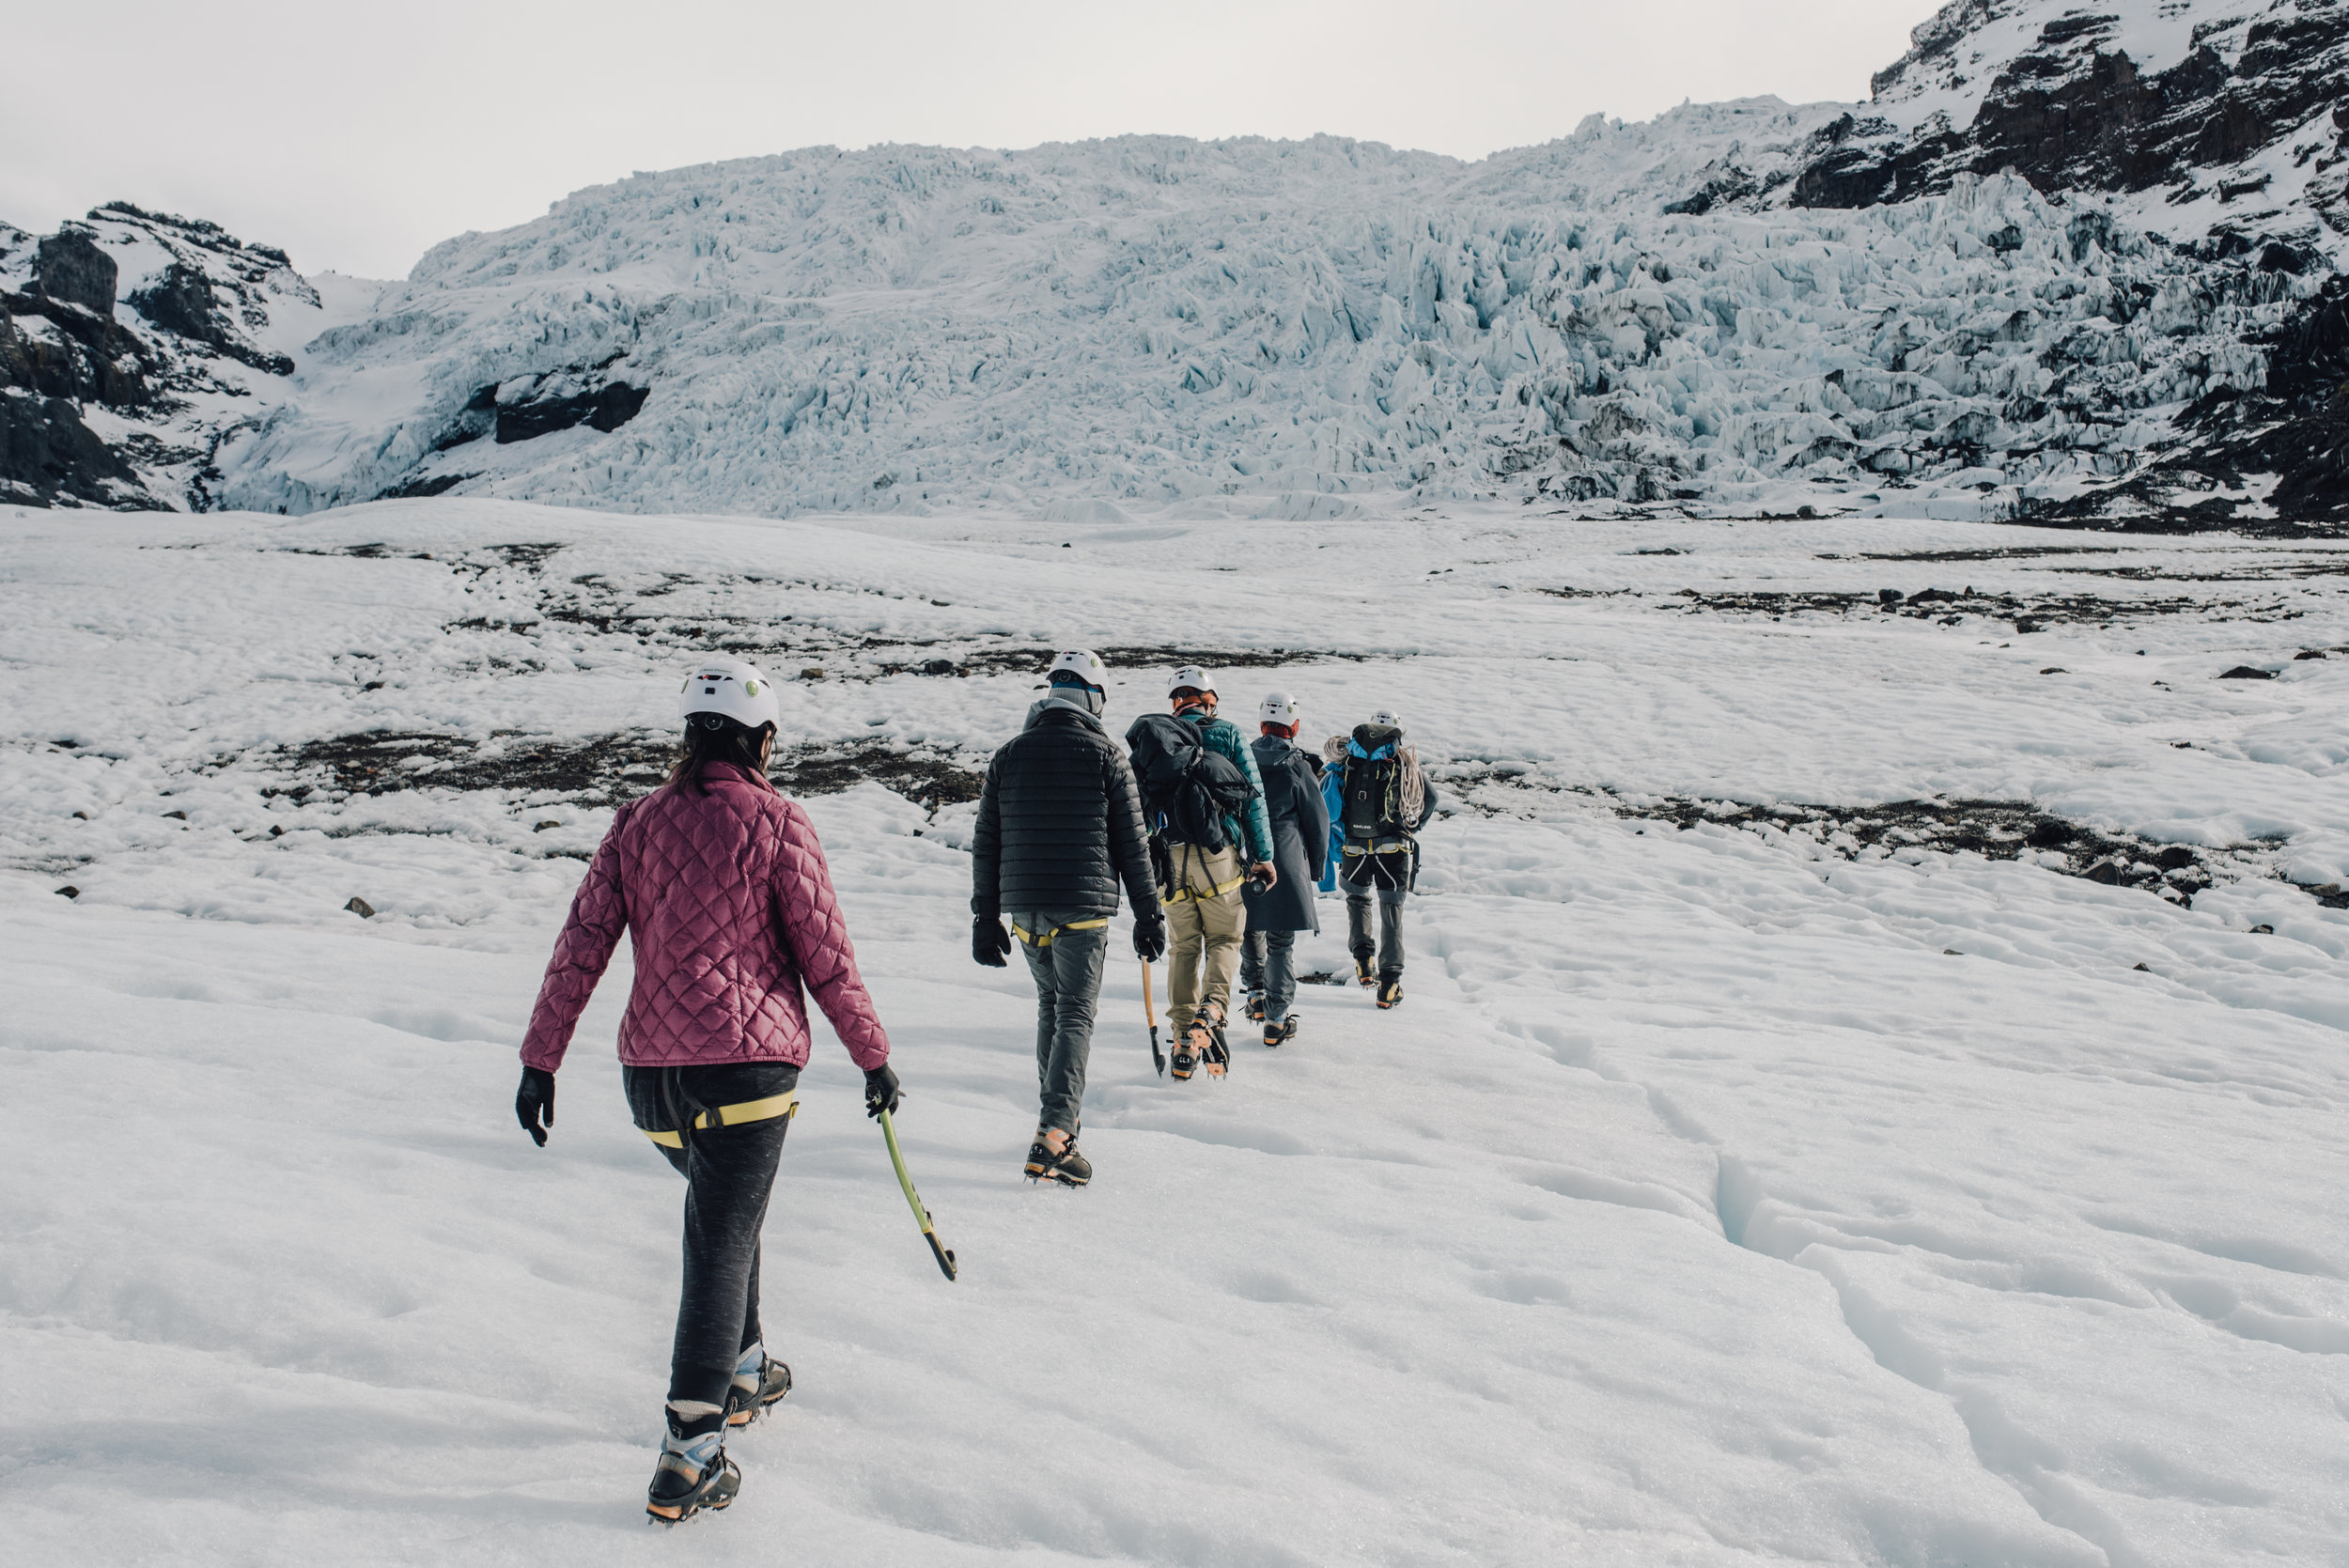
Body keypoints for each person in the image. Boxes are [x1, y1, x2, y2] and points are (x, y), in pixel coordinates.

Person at [513, 658, 901, 1525]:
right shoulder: (775, 820)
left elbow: (583, 944)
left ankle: (746, 1366)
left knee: (726, 1209)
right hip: (748, 1073)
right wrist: (874, 1059)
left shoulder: (636, 823)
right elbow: (827, 960)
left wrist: (543, 1058)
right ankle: (690, 1450)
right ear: (762, 740)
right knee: (721, 1237)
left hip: (651, 1080)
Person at [970, 649, 1163, 1187]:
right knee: (1075, 1013)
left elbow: (987, 844)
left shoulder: (1008, 755)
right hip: (1082, 907)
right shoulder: (1105, 755)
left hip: (1026, 908)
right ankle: (1055, 1135)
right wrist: (1149, 916)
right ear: (1094, 698)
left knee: (1051, 1007)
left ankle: (1057, 1122)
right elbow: (1133, 845)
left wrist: (985, 917)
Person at [1139, 666, 1275, 1079]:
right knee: (1224, 937)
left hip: (1168, 859)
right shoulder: (1229, 735)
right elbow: (1253, 798)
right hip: (1219, 858)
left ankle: (1183, 1042)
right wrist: (1263, 855)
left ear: (1175, 702)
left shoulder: (1154, 739)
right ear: (1210, 699)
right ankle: (1212, 1011)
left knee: (1183, 947)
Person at [1324, 706, 1440, 1009]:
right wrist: (1412, 827)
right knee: (1391, 909)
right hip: (1394, 847)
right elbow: (1431, 798)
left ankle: (1364, 962)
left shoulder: (1346, 760)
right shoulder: (1403, 763)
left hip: (1354, 847)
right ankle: (1389, 985)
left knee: (1358, 900)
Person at [1240, 691, 1330, 1048]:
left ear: (1262, 724)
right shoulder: (1297, 764)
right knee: (1280, 942)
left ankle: (1255, 994)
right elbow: (1317, 819)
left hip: (1245, 856)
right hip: (1286, 860)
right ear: (1293, 726)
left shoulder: (1240, 757)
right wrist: (1317, 868)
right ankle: (1276, 1020)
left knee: (1248, 927)